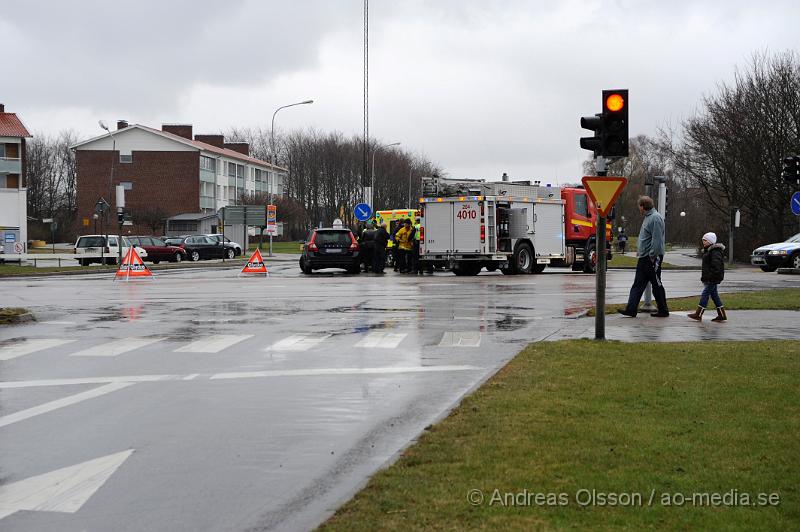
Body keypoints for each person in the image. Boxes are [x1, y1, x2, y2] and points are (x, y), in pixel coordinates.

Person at [618, 196, 669, 317]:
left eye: (639, 207)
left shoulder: (655, 218)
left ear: (643, 206)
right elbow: (646, 237)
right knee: (638, 284)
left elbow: (657, 240)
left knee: (656, 284)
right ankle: (631, 309)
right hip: (644, 257)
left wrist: (652, 255)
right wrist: (640, 251)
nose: (639, 209)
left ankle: (663, 310)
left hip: (651, 258)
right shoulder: (648, 217)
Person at [687, 232, 727, 322]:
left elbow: (716, 266)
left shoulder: (715, 252)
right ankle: (722, 314)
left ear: (710, 241)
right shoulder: (709, 251)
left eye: (705, 240)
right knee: (715, 296)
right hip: (710, 278)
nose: (703, 242)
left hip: (712, 279)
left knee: (705, 294)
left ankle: (698, 314)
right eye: (703, 240)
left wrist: (711, 277)